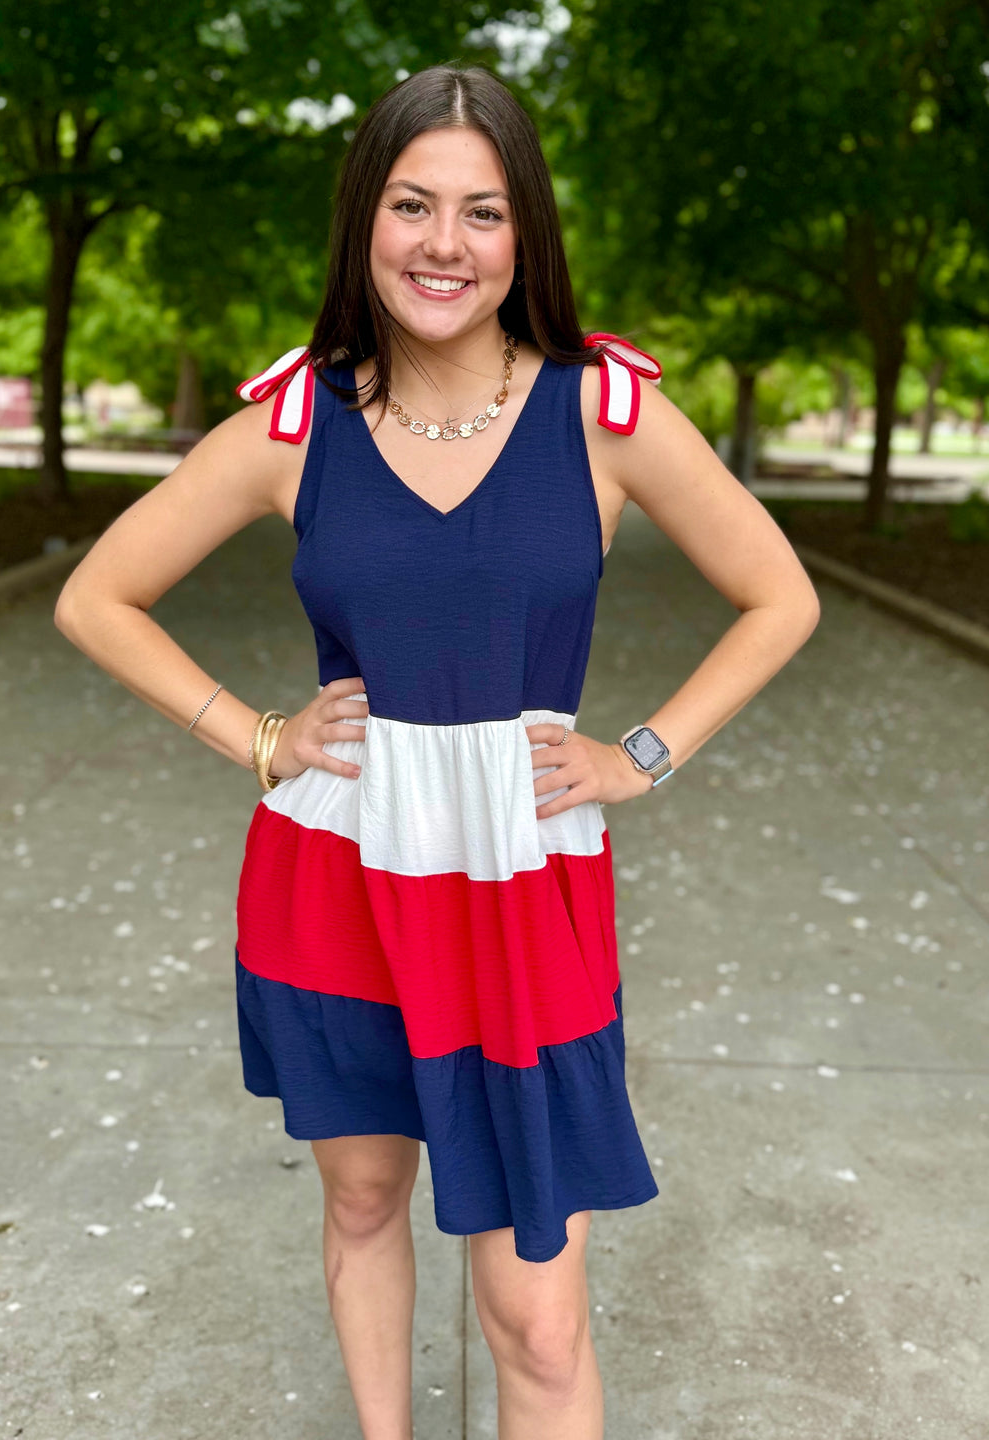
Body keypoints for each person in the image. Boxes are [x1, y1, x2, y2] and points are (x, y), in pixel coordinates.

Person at [54, 61, 820, 1440]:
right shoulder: (298, 426)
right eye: (413, 206)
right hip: (339, 873)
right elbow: (95, 597)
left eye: (481, 211)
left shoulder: (604, 412)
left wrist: (639, 755)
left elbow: (783, 597)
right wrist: (258, 736)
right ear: (366, 222)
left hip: (522, 888)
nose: (443, 245)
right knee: (361, 1199)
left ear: (525, 233)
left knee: (535, 1307)